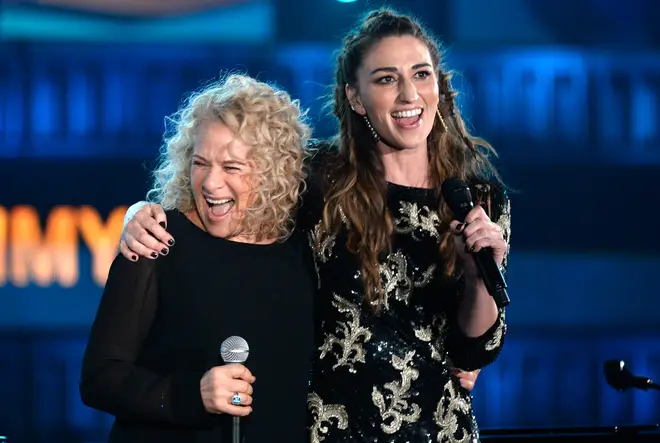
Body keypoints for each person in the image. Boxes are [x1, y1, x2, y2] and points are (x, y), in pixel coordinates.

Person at [119, 8, 511, 442]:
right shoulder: (318, 178)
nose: (408, 95)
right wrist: (140, 212)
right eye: (386, 79)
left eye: (420, 74)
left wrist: (478, 276)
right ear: (356, 98)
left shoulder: (477, 198)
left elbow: (476, 350)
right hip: (330, 429)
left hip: (439, 429)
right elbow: (226, 206)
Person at [79, 74, 316, 442]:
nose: (210, 183)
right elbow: (100, 378)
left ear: (274, 172)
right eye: (201, 163)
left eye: (231, 167)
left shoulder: (302, 249)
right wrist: (190, 395)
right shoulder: (157, 239)